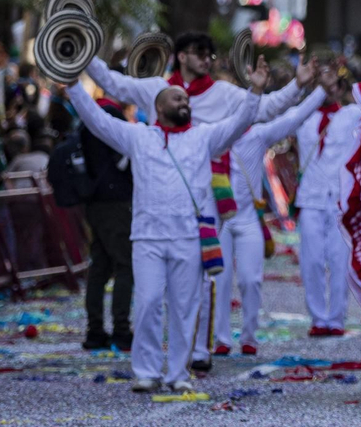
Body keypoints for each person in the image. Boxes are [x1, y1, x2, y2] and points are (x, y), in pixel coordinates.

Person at [86, 32, 311, 372]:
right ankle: (154, 363)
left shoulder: (222, 93)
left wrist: (298, 86)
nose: (206, 59)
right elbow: (111, 84)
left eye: (210, 53)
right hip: (157, 199)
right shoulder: (153, 89)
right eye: (199, 52)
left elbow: (262, 110)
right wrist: (76, 52)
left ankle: (198, 352)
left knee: (201, 279)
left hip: (205, 194)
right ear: (180, 56)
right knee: (150, 295)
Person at [64, 59, 270, 392]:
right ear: (158, 107)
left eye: (186, 100)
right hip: (147, 237)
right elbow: (97, 121)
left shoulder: (205, 137)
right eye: (176, 99)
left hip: (189, 237)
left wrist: (255, 91)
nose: (184, 102)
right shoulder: (138, 137)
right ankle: (146, 371)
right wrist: (73, 85)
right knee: (146, 303)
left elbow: (239, 122)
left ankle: (177, 373)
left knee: (185, 308)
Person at [198, 67, 328, 358]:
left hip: (246, 219)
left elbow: (294, 117)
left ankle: (249, 336)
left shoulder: (256, 135)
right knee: (217, 281)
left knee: (250, 279)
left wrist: (320, 90)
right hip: (217, 221)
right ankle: (219, 339)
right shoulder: (206, 136)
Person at [293, 64, 361, 339]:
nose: (328, 89)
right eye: (322, 84)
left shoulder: (352, 115)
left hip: (338, 200)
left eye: (333, 84)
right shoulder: (302, 117)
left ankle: (335, 318)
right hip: (309, 197)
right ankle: (318, 317)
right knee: (310, 260)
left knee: (339, 260)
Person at [77, 95, 136, 351]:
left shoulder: (88, 117)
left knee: (99, 266)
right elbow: (124, 157)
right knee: (125, 264)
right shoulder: (113, 116)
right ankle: (121, 329)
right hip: (115, 200)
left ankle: (95, 330)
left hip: (93, 200)